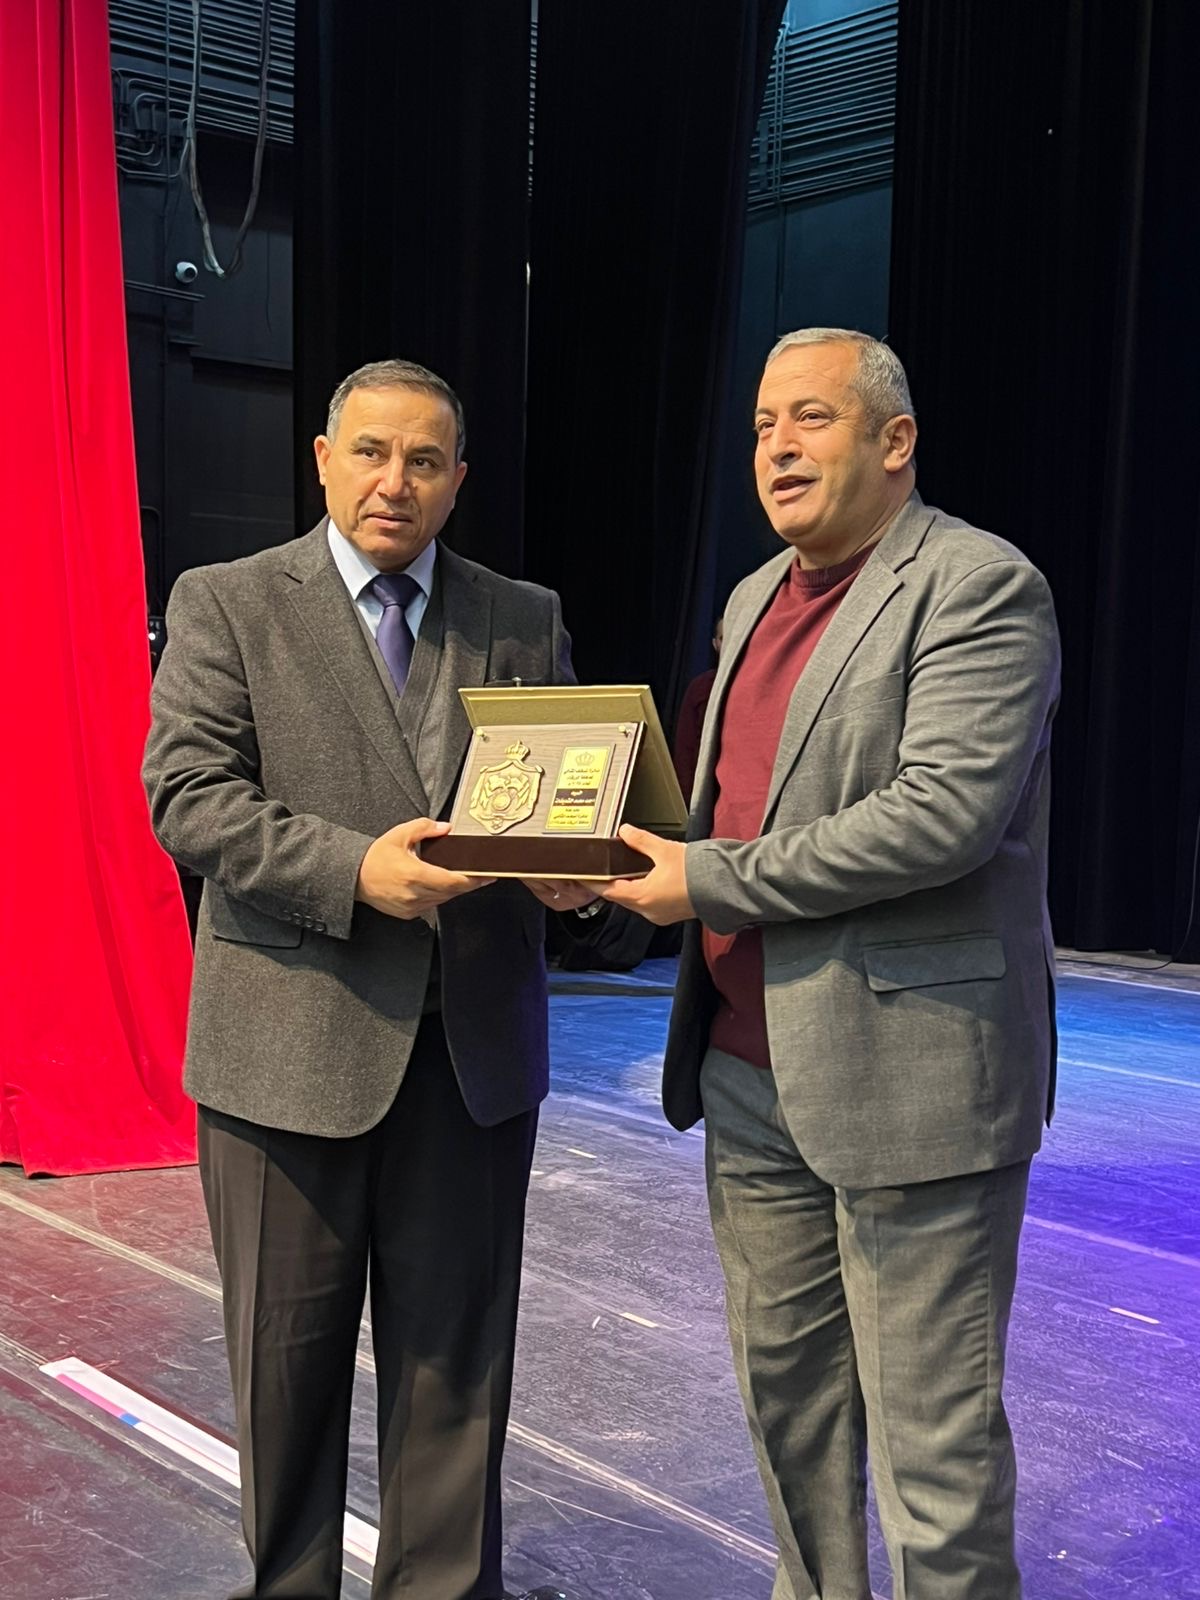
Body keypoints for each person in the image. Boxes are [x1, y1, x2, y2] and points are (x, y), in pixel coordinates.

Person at [604, 329, 1060, 1599]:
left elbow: (939, 817)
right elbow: (728, 809)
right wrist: (606, 856)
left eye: (811, 418)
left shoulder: (980, 586)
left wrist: (702, 877)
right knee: (791, 1420)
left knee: (935, 1460)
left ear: (894, 440)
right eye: (762, 425)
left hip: (915, 1086)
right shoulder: (754, 594)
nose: (778, 447)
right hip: (749, 1075)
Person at [143, 359, 589, 1600]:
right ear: (324, 461)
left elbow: (564, 800)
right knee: (284, 1371)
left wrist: (575, 877)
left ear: (458, 479)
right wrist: (354, 871)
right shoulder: (230, 601)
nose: (397, 481)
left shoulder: (522, 615)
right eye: (373, 453)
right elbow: (188, 796)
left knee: (457, 1373)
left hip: (472, 1057)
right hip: (284, 1048)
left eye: (426, 460)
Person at [672, 614, 723, 800]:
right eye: (723, 638)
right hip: (702, 796)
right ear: (715, 644)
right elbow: (685, 750)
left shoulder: (758, 687)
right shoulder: (701, 688)